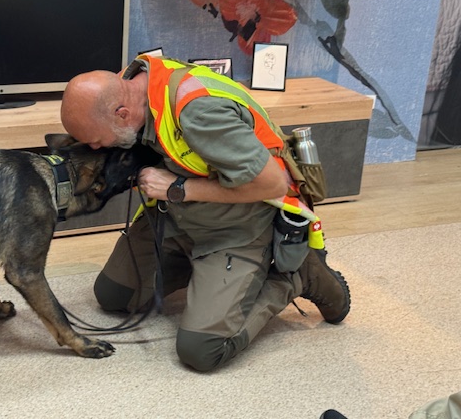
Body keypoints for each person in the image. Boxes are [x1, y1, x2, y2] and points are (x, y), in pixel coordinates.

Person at [60, 54, 351, 372]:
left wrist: (178, 189)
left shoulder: (200, 112)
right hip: (176, 219)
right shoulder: (130, 84)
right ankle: (208, 278)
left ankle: (298, 277)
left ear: (122, 114)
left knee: (201, 350)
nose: (97, 148)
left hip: (235, 227)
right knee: (113, 295)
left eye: (96, 141)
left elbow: (272, 183)